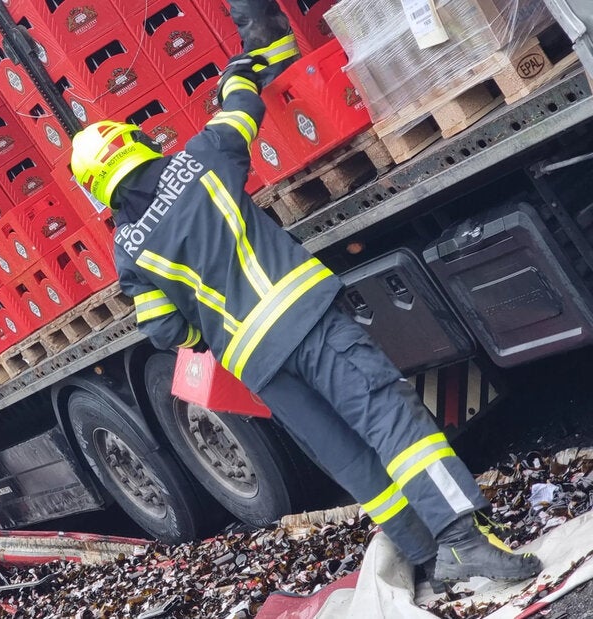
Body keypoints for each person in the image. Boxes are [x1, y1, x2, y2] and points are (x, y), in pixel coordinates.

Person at [68, 46, 543, 588]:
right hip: (307, 323)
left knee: (349, 458)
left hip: (259, 367)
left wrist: (209, 322)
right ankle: (464, 542)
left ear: (97, 188)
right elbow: (242, 110)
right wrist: (237, 76)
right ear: (133, 144)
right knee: (393, 423)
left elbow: (167, 330)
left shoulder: (127, 249)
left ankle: (429, 559)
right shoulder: (200, 162)